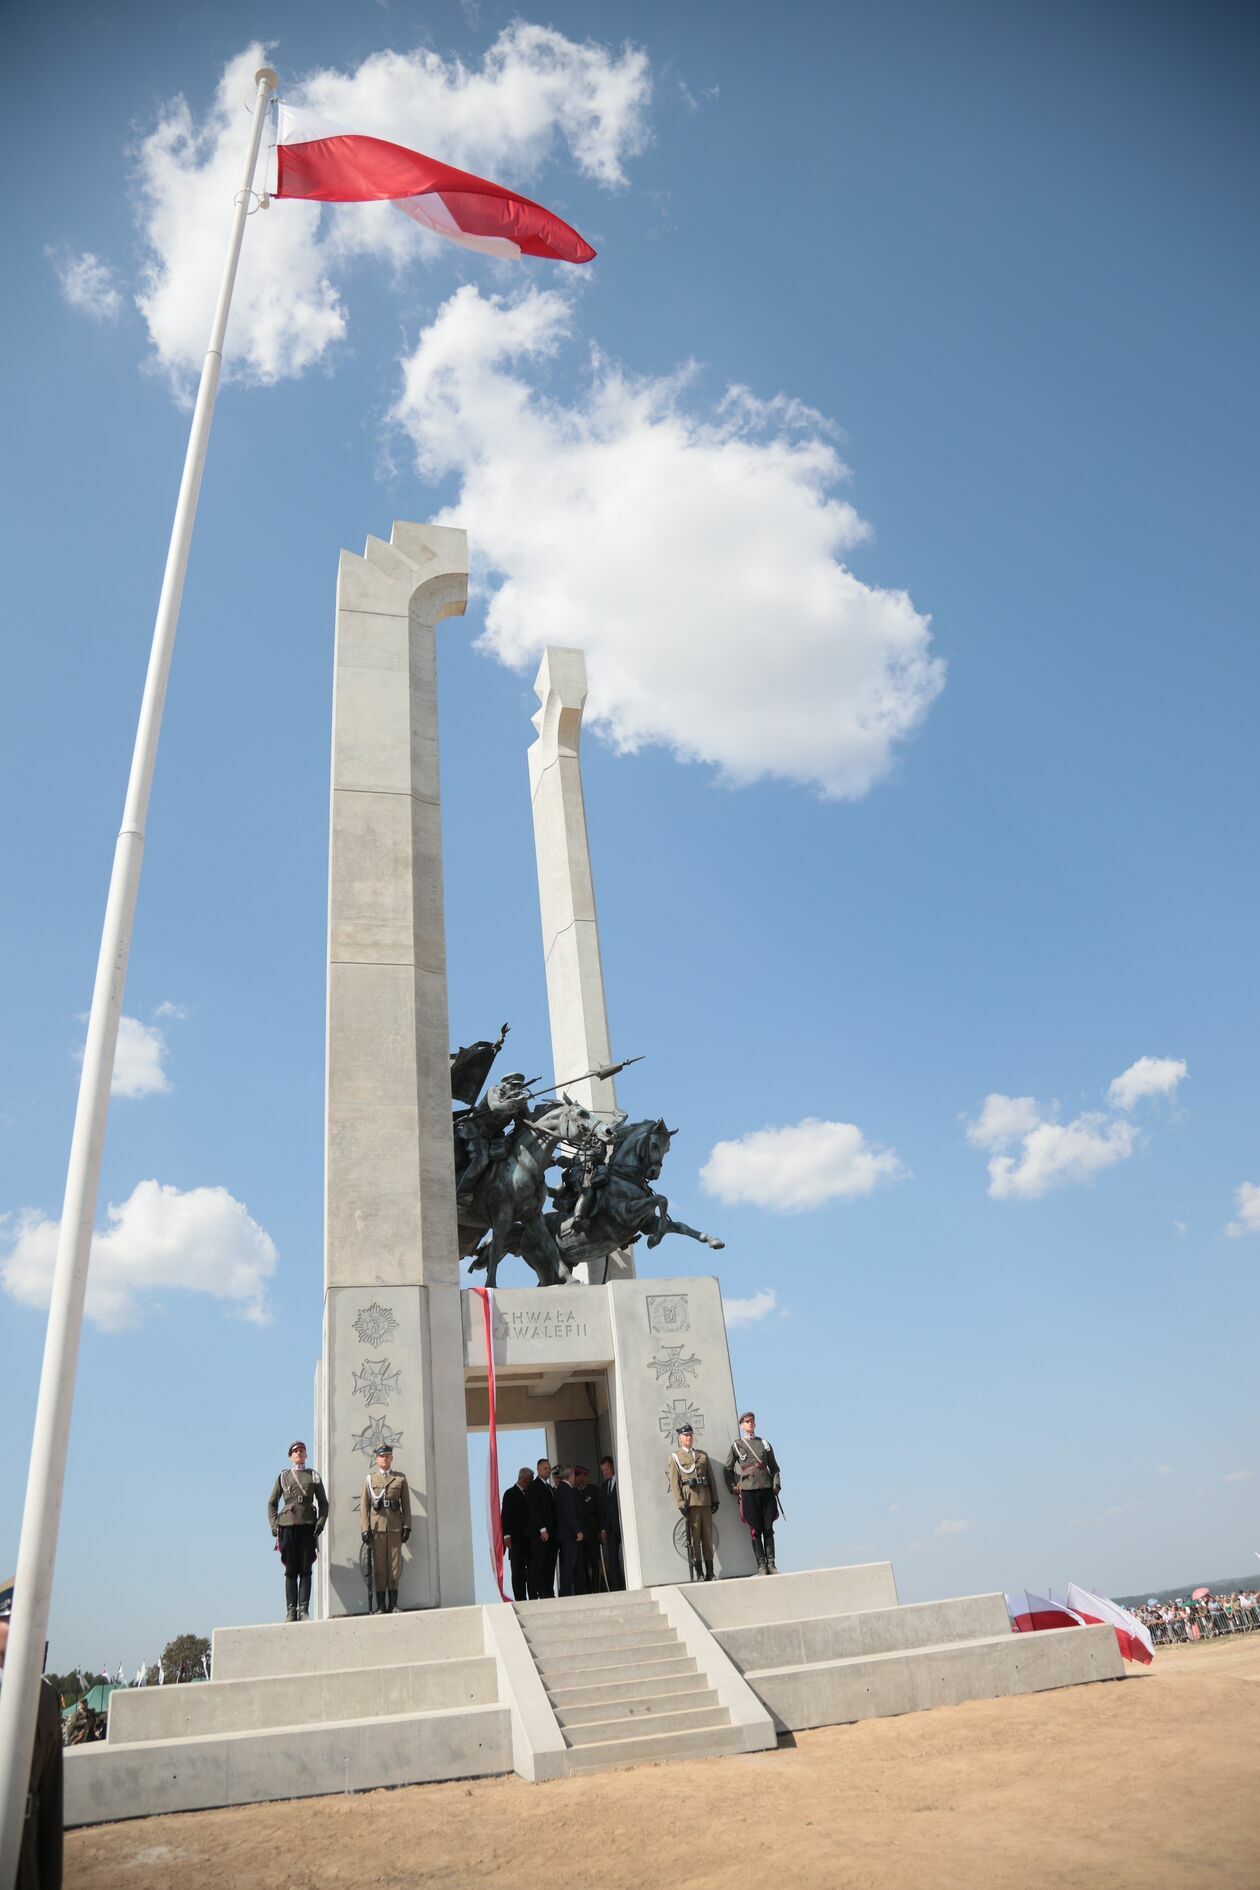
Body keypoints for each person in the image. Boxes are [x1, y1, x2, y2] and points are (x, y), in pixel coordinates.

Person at [0, 1575, 64, 1890]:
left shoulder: (47, 1701)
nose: (17, 1629)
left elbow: (51, 1807)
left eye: (27, 1619)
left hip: (25, 1855)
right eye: (7, 1620)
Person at [267, 1439, 329, 1622]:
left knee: (306, 1569)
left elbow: (324, 1503)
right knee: (290, 1570)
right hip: (287, 1525)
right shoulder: (283, 1477)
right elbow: (272, 1503)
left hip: (308, 1524)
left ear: (306, 1455)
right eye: (295, 1451)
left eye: (302, 1450)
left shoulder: (313, 1476)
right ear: (290, 1456)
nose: (299, 1453)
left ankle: (303, 1610)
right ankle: (290, 1610)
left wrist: (320, 1523)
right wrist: (273, 1524)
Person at [724, 1411, 782, 1575]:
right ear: (742, 1425)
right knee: (755, 1529)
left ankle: (771, 1563)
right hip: (748, 1490)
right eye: (747, 1422)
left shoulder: (764, 1443)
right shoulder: (737, 1445)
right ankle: (761, 1565)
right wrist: (734, 1488)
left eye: (752, 1421)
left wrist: (776, 1485)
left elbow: (775, 1468)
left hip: (766, 1488)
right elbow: (727, 1470)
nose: (750, 1424)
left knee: (768, 1527)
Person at [360, 1443, 411, 1613]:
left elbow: (406, 1505)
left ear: (392, 1458)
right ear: (376, 1459)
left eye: (387, 1456)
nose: (384, 1458)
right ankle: (381, 1605)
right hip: (377, 1529)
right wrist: (365, 1528)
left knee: (395, 1568)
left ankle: (393, 1604)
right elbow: (364, 1506)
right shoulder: (370, 1479)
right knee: (380, 1568)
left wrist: (407, 1526)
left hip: (395, 1527)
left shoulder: (400, 1479)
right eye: (381, 1456)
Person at [668, 1422, 718, 1581]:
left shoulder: (702, 1455)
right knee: (695, 1539)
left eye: (690, 1435)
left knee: (707, 1537)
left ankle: (710, 1571)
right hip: (690, 1503)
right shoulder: (676, 1457)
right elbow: (675, 1483)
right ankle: (700, 1573)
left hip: (705, 1500)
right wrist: (680, 1503)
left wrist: (715, 1498)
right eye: (686, 1435)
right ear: (680, 1438)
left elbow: (711, 1478)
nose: (689, 1438)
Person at [526, 1457, 558, 1598]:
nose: (548, 1470)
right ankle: (534, 1593)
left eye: (549, 1468)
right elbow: (535, 1509)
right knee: (538, 1563)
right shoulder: (533, 1487)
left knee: (549, 1563)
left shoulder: (549, 1487)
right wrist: (542, 1528)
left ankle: (547, 1591)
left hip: (551, 1534)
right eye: (545, 1468)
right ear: (538, 1469)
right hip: (540, 1533)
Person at [500, 1467, 533, 1602]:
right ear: (525, 1479)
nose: (532, 1481)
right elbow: (505, 1516)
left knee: (531, 1569)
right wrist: (506, 1536)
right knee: (517, 1570)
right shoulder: (510, 1493)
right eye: (531, 1479)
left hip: (529, 1539)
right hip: (515, 1540)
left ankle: (532, 1595)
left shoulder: (530, 1493)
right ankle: (520, 1598)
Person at [554, 1466, 587, 1596]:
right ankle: (566, 1594)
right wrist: (577, 1530)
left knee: (575, 1565)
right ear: (571, 1475)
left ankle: (578, 1591)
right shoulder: (565, 1489)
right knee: (569, 1565)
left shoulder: (563, 1489)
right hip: (569, 1536)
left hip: (568, 1535)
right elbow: (569, 1513)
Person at [574, 1466, 602, 1593]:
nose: (576, 1478)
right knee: (582, 1563)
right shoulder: (573, 1492)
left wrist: (601, 1529)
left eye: (578, 1475)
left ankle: (596, 1588)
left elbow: (601, 1511)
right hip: (579, 1534)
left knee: (594, 1562)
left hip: (592, 1531)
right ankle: (586, 1589)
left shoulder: (594, 1490)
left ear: (584, 1476)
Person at [598, 1455, 624, 1590]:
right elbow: (602, 1509)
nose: (605, 1473)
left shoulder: (622, 1482)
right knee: (613, 1559)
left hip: (623, 1526)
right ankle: (616, 1587)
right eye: (603, 1470)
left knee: (625, 1556)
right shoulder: (603, 1487)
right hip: (610, 1529)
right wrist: (603, 1528)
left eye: (607, 1469)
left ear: (612, 1466)